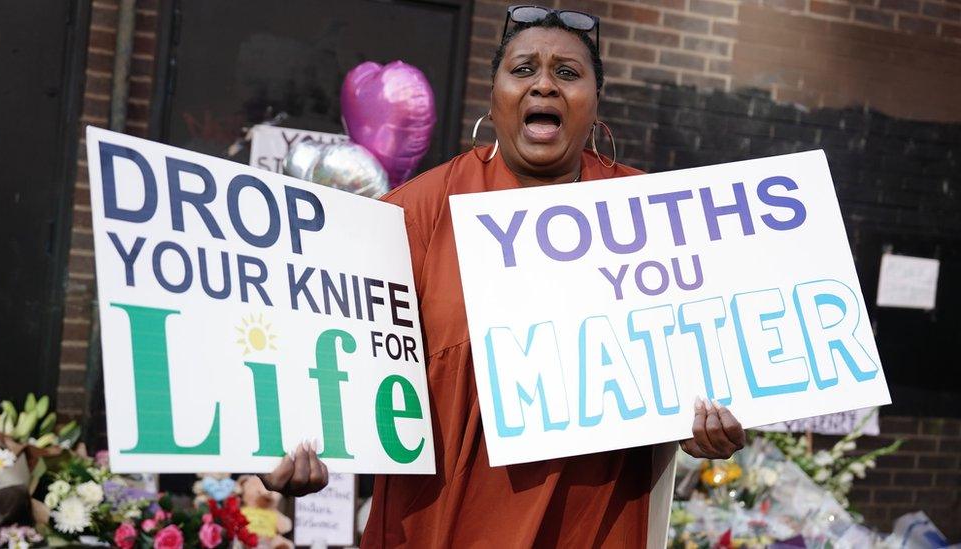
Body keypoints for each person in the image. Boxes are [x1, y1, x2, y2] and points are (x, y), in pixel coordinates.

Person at [260, 6, 745, 547]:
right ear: (494, 97)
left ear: (594, 102)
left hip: (591, 526)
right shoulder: (420, 211)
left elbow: (697, 364)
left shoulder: (652, 214)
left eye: (567, 73)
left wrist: (708, 419)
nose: (544, 84)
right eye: (523, 70)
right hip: (437, 526)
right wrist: (282, 443)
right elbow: (325, 352)